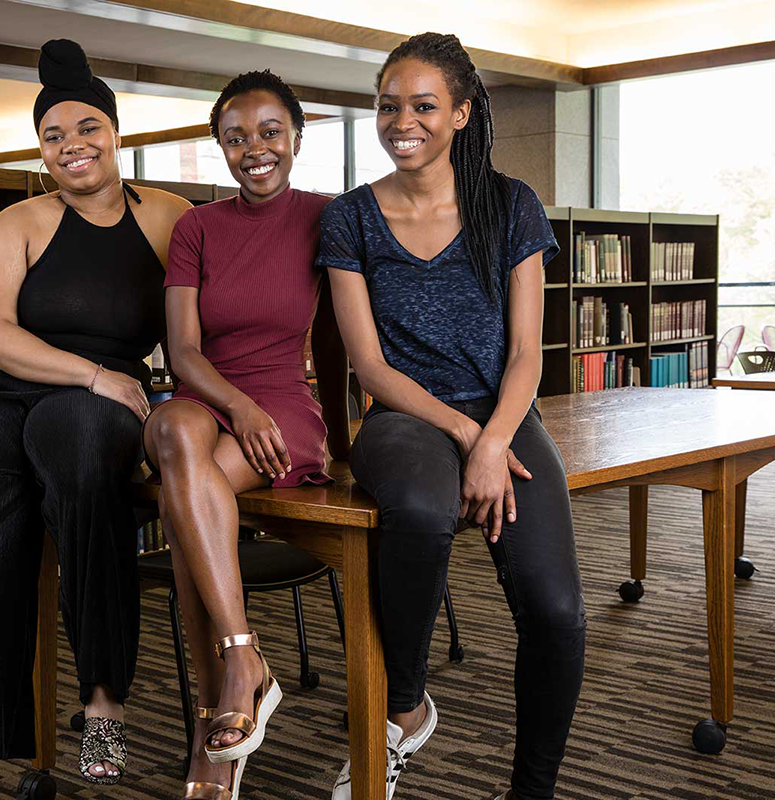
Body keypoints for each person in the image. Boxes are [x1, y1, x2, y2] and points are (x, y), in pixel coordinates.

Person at [0, 39, 192, 800]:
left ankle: (104, 701)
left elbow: (190, 331)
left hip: (99, 411)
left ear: (116, 131)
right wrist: (94, 372)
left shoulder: (171, 217)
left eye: (87, 128)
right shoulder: (20, 219)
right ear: (41, 151)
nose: (73, 145)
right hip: (9, 393)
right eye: (54, 136)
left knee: (78, 465)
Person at [317, 32, 587, 800]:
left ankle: (531, 790)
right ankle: (404, 708)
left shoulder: (513, 205)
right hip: (403, 415)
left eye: (425, 105)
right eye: (388, 106)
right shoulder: (350, 219)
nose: (404, 120)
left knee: (559, 612)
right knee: (420, 509)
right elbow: (369, 366)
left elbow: (529, 353)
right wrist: (467, 437)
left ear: (463, 113)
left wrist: (495, 433)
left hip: (503, 410)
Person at [142, 70, 350, 800]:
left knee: (182, 504)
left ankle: (214, 737)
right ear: (220, 148)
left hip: (284, 409)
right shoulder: (197, 227)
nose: (253, 149)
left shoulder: (329, 217)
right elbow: (183, 351)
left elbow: (336, 340)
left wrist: (344, 445)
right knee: (169, 427)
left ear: (296, 136)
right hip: (211, 397)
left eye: (269, 133)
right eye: (235, 138)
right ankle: (243, 662)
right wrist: (240, 407)